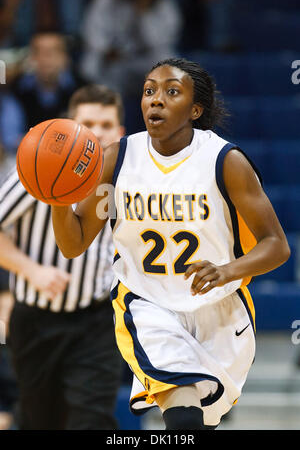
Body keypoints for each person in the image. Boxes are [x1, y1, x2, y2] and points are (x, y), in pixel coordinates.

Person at [51, 58, 290, 430]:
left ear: (196, 109)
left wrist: (227, 270)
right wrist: (56, 198)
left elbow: (276, 245)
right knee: (182, 412)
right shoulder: (118, 159)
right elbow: (75, 242)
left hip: (221, 307)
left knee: (201, 420)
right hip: (147, 302)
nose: (155, 100)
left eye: (171, 92)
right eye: (149, 91)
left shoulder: (225, 162)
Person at [0, 84, 125, 430]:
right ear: (72, 126)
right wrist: (31, 270)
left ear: (120, 131)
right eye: (88, 123)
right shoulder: (40, 167)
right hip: (35, 321)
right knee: (41, 421)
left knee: (93, 419)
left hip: (97, 320)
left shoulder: (127, 176)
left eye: (106, 124)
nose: (97, 132)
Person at [11, 30, 85, 131]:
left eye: (54, 51)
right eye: (39, 52)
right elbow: (11, 137)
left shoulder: (82, 89)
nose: (46, 58)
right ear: (31, 58)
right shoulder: (16, 89)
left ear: (65, 57)